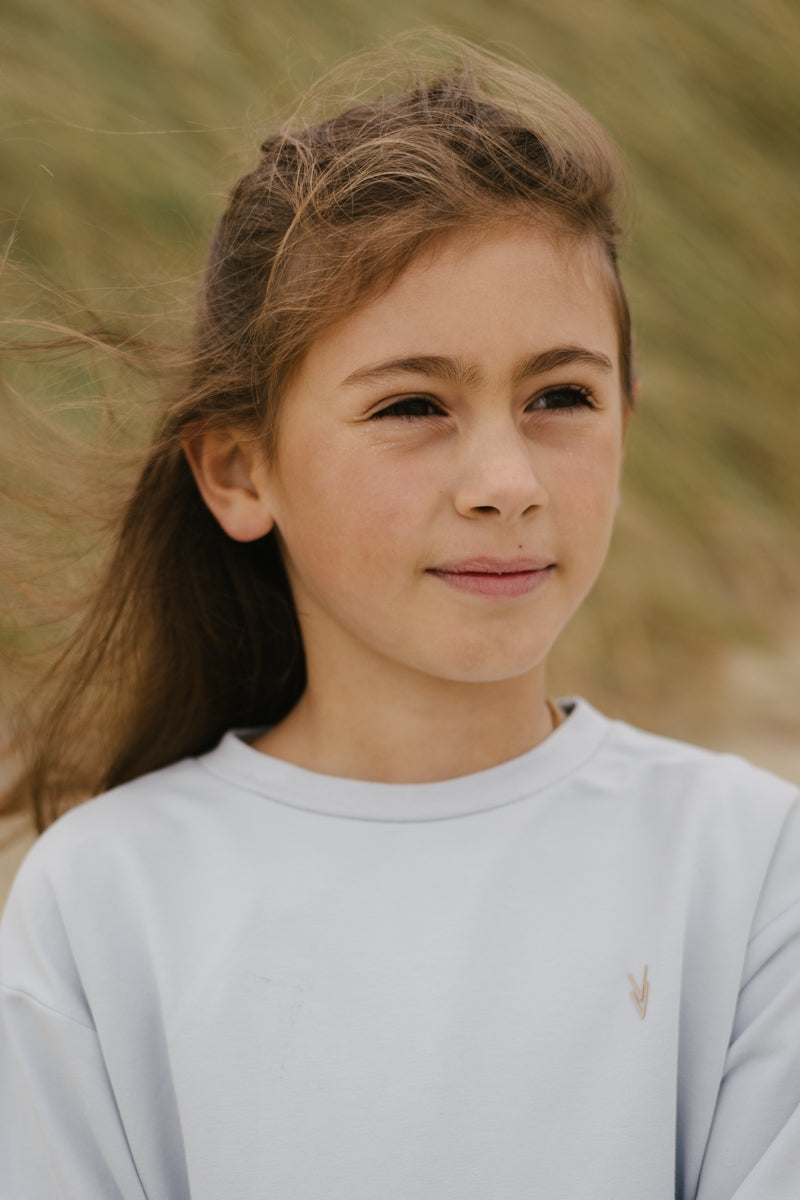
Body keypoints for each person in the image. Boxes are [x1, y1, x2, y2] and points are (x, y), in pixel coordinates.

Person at [1, 35, 799, 1200]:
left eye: (559, 397)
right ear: (238, 472)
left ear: (626, 413)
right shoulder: (109, 899)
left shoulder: (744, 865)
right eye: (413, 404)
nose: (504, 480)